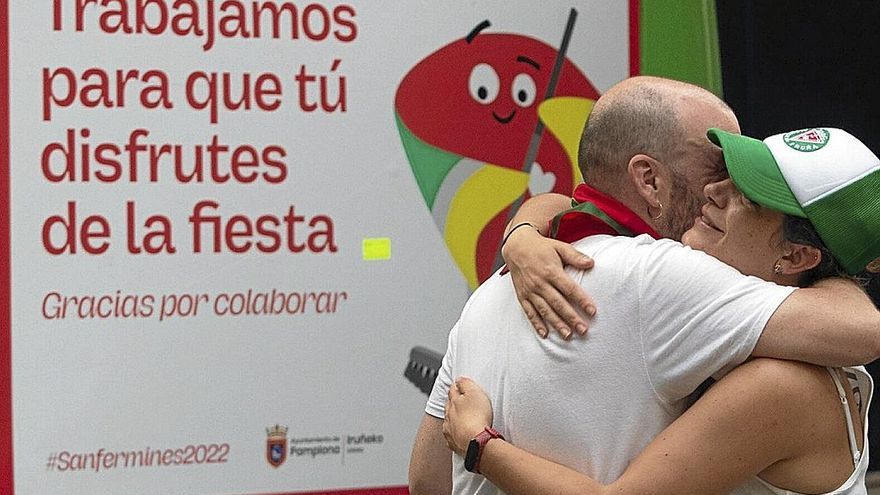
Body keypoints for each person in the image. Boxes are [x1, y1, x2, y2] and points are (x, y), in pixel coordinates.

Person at [407, 76, 880, 495]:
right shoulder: (663, 279)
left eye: (746, 193)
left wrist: (480, 446)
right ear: (648, 181)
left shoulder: (490, 293)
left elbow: (428, 483)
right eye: (721, 170)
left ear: (797, 256)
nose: (717, 191)